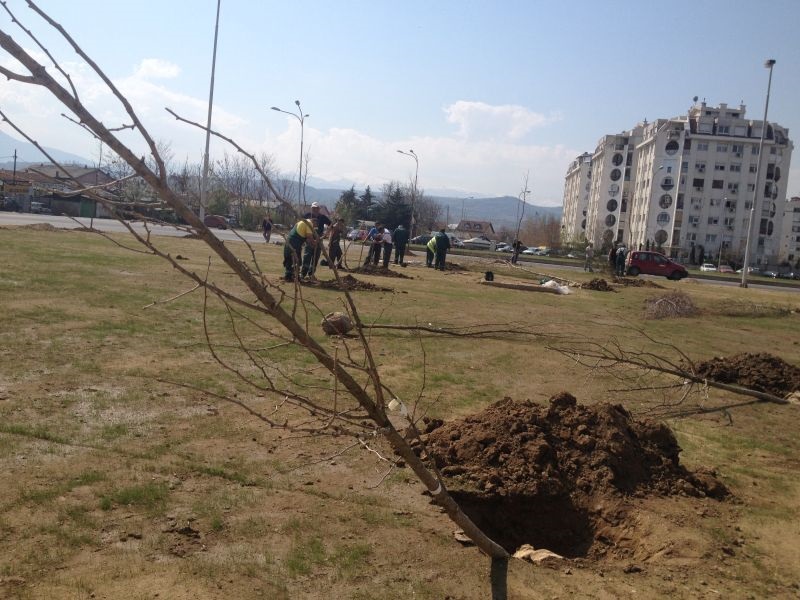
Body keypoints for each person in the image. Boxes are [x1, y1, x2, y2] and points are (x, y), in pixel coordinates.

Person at [302, 202, 331, 278]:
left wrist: (326, 233)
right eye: (313, 208)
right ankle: (303, 274)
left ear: (319, 209)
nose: (315, 209)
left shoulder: (322, 217)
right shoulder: (307, 216)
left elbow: (331, 224)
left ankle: (311, 274)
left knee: (316, 257)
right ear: (311, 208)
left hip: (319, 239)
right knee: (307, 256)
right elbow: (301, 224)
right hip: (309, 238)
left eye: (316, 208)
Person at [283, 217, 316, 282]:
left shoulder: (302, 222)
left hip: (290, 241)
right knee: (296, 260)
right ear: (314, 222)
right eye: (314, 226)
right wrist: (314, 242)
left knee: (290, 259)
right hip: (294, 242)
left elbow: (306, 238)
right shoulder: (309, 223)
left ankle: (289, 276)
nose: (313, 228)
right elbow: (309, 237)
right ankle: (294, 277)